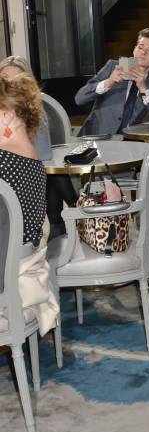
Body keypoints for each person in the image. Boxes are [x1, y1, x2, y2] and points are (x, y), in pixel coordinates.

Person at [0, 74, 59, 336]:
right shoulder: (33, 163)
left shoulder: (4, 164)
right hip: (23, 270)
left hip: (5, 279)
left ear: (6, 115)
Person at [0, 56, 77, 240]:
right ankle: (73, 211)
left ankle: (70, 214)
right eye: (5, 78)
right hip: (27, 240)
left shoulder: (9, 161)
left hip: (14, 247)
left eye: (16, 81)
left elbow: (43, 154)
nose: (10, 86)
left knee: (50, 176)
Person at [75, 28, 149, 135]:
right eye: (140, 47)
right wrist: (109, 81)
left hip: (126, 143)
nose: (143, 53)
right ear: (134, 49)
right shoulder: (113, 66)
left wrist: (144, 89)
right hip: (95, 139)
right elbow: (79, 99)